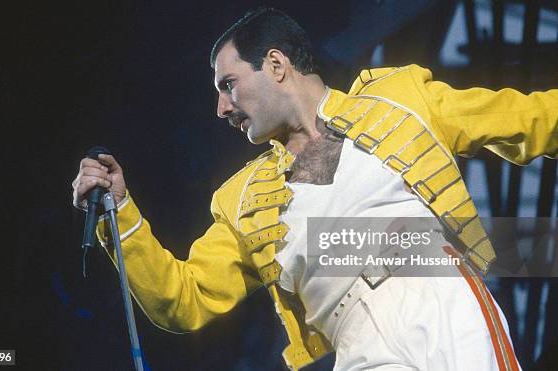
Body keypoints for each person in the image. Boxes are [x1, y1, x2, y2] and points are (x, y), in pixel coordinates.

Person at [72, 7, 556, 371]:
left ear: (276, 64)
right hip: (358, 344)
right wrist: (123, 212)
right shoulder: (239, 199)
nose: (222, 108)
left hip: (443, 299)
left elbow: (533, 120)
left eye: (229, 84)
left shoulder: (402, 100)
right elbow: (183, 299)